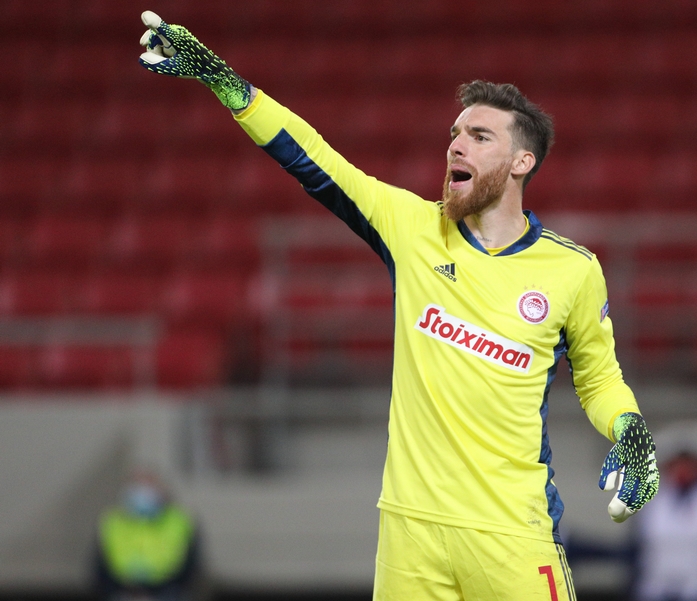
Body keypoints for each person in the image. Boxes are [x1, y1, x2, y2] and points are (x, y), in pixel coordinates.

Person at [136, 11, 660, 600]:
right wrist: (224, 81)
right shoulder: (412, 228)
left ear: (522, 162)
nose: (456, 144)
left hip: (513, 534)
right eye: (455, 134)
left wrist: (630, 430)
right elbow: (313, 158)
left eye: (479, 136)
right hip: (410, 531)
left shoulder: (573, 269)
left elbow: (599, 379)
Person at [631, 452, 697, 601]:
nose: (682, 473)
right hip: (657, 584)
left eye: (688, 467)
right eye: (677, 467)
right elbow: (639, 546)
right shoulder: (653, 500)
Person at [94, 470, 203, 601]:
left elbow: (191, 563)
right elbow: (100, 564)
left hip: (167, 593)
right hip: (121, 593)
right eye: (137, 488)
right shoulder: (113, 521)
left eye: (148, 488)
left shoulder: (179, 521)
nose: (142, 495)